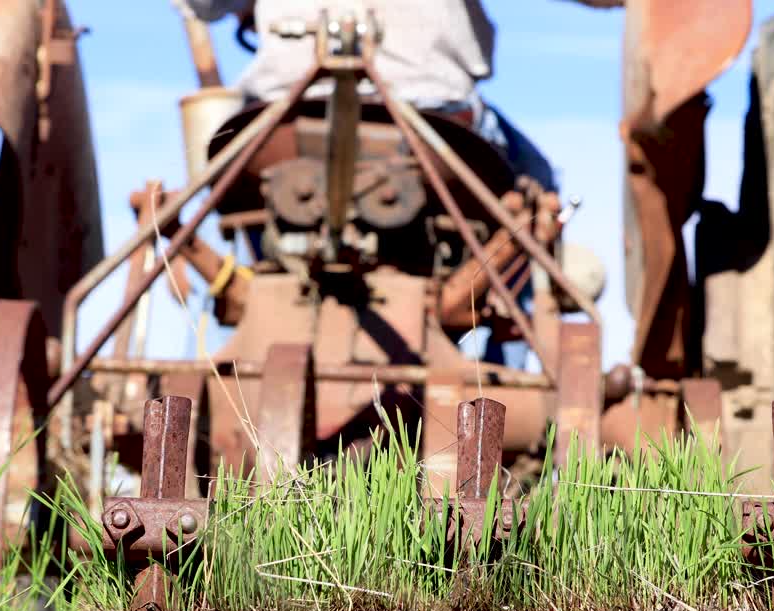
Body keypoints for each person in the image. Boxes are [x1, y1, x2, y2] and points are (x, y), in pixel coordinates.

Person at [181, 0, 568, 368]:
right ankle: (502, 367)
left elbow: (204, 6)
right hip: (430, 117)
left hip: (282, 121)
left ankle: (225, 351)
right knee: (531, 192)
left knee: (224, 195)